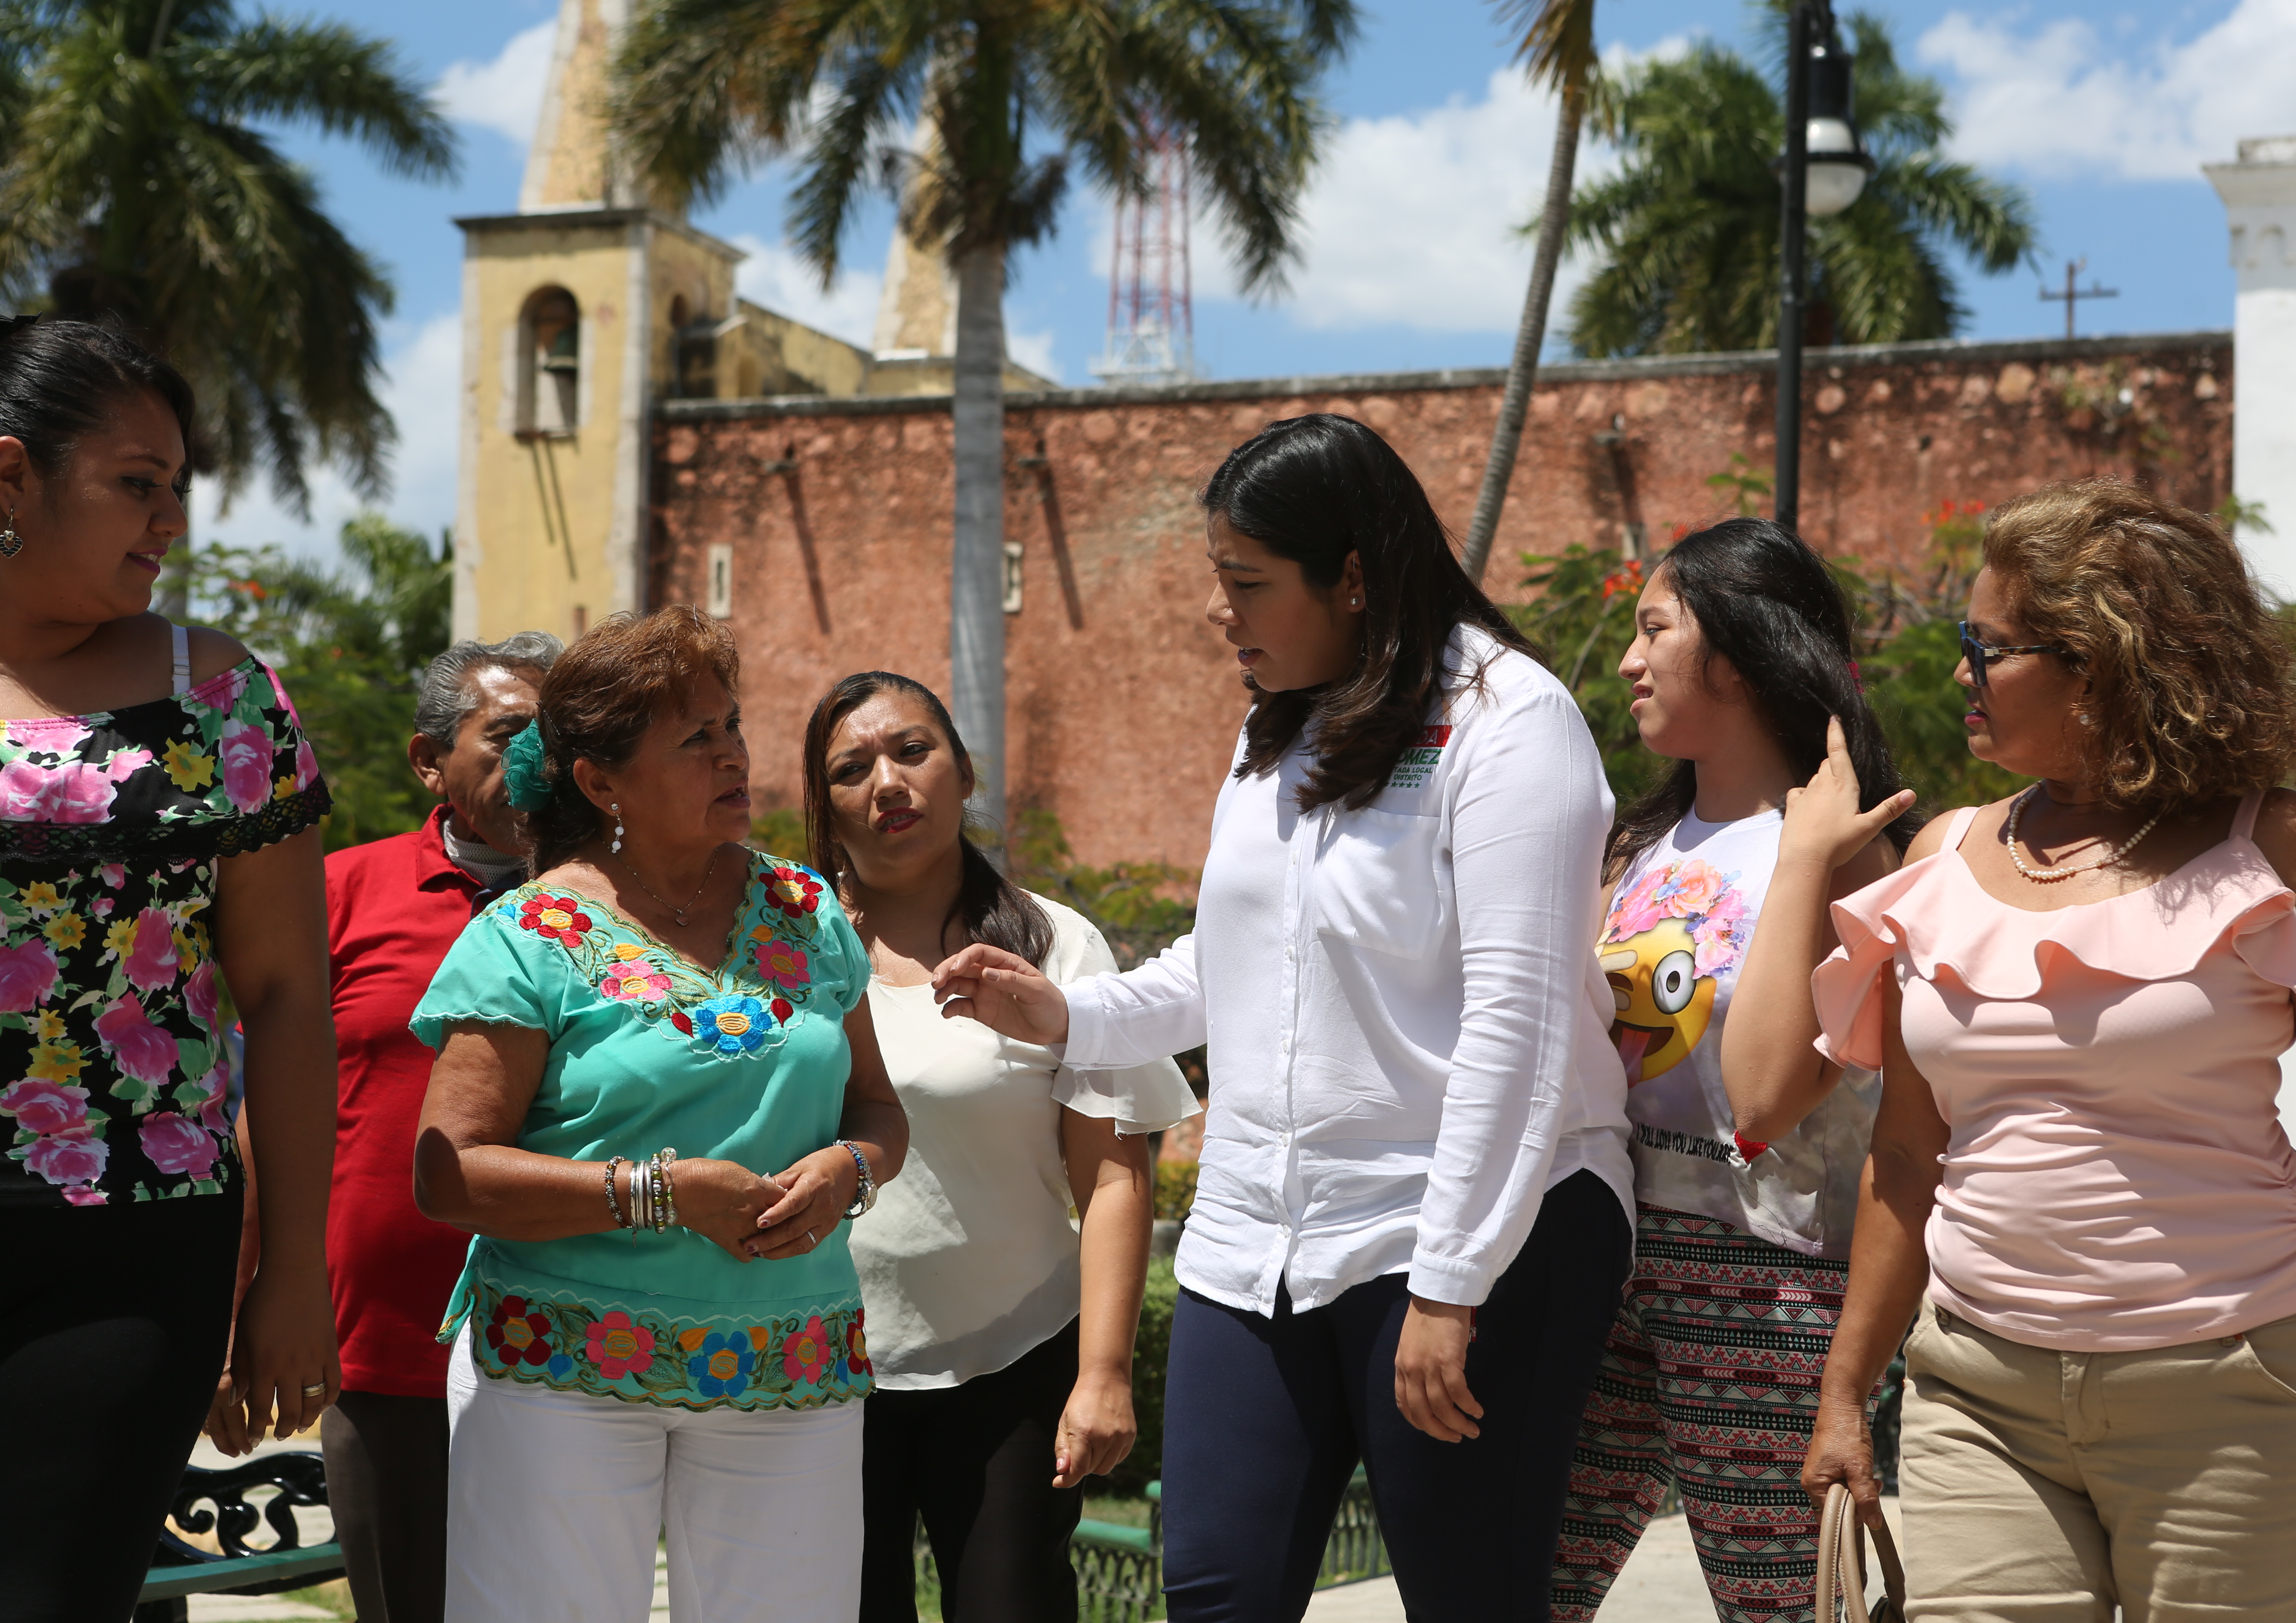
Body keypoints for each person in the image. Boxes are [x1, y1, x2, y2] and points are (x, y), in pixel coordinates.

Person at [932, 413, 1633, 1621]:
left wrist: (1453, 1286)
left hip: (1464, 1235)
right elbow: (1237, 965)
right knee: (1216, 1593)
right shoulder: (1280, 730)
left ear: (1353, 576)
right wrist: (1067, 1015)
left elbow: (1519, 1028)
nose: (1223, 613)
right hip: (1255, 1238)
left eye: (1247, 583)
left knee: (1473, 1600)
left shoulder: (1515, 723)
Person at [1802, 480, 2296, 1621]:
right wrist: (1846, 1392)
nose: (1961, 674)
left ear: (2098, 666)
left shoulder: (2280, 849)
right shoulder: (1944, 856)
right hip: (1977, 1392)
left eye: (1982, 646)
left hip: (2241, 1394)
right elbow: (1905, 1154)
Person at [410, 606, 909, 1623]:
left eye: (732, 727)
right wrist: (660, 1195)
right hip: (564, 1370)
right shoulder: (529, 934)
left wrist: (853, 1167)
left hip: (790, 1365)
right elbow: (450, 1171)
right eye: (695, 739)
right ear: (601, 783)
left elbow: (876, 1107)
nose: (733, 755)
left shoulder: (809, 911)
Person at [0, 315, 341, 1618]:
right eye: (137, 484)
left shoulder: (225, 696)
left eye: (181, 487)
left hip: (132, 1255)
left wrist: (292, 1269)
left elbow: (287, 994)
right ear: (11, 477)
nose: (172, 522)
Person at [1550, 520, 1919, 1622]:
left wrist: (1807, 854)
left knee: (1784, 1609)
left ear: (1739, 649)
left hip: (1767, 1287)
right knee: (1520, 1585)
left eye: (1653, 628)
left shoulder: (1847, 850)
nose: (1628, 659)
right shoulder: (1635, 845)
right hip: (1606, 1261)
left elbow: (1773, 1102)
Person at [807, 670, 1199, 1623]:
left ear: (966, 769)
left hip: (1014, 1364)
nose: (888, 783)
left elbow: (1113, 1174)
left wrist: (1103, 1375)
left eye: (913, 751)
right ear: (825, 809)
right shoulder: (790, 952)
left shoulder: (1051, 948)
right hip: (819, 1369)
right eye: (852, 769)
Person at [307, 632, 560, 1623]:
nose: (534, 762)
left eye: (557, 736)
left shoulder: (627, 912)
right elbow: (266, 1108)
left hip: (580, 1336)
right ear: (430, 760)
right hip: (386, 1343)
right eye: (506, 737)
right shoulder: (340, 893)